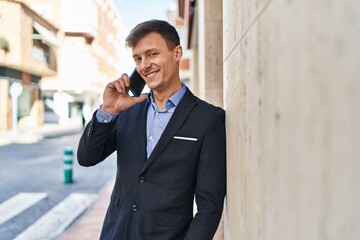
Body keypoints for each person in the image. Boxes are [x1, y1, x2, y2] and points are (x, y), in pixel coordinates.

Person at [77, 19, 226, 240]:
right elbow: (87, 157)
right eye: (138, 59)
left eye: (152, 54)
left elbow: (209, 207)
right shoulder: (126, 110)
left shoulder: (208, 119)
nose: (144, 65)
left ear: (177, 54)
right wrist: (107, 111)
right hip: (116, 233)